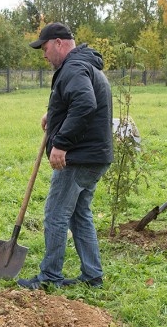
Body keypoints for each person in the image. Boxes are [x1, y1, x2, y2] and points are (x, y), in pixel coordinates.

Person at [17, 23, 114, 290]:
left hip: (79, 156)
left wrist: (60, 143)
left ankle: (49, 277)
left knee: (56, 213)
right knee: (79, 214)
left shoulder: (72, 68)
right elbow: (80, 101)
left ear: (59, 43)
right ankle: (93, 275)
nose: (45, 55)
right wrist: (56, 114)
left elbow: (84, 103)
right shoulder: (85, 65)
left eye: (45, 48)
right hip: (96, 155)